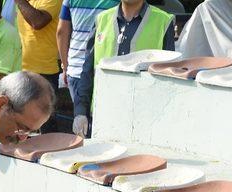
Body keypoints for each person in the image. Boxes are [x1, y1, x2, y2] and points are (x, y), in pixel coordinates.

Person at [73, 0, 174, 137]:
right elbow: (88, 70)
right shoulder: (102, 19)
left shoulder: (163, 21)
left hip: (142, 120)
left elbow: (168, 79)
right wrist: (80, 112)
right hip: (102, 115)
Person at [56, 0, 118, 103]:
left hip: (76, 69)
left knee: (81, 116)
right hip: (105, 69)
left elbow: (61, 32)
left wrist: (66, 67)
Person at [15, 0, 62, 132]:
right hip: (22, 70)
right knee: (21, 124)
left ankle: (50, 153)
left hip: (44, 72)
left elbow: (38, 22)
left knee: (45, 125)